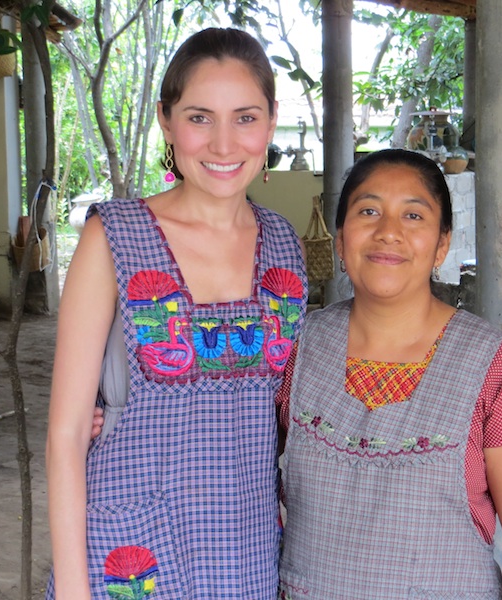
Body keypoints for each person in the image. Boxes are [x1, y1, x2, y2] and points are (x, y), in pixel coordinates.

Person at [46, 28, 307, 600]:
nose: (222, 144)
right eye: (199, 117)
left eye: (244, 117)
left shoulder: (284, 245)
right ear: (166, 120)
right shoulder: (112, 235)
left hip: (249, 545)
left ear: (269, 121)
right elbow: (66, 433)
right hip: (133, 543)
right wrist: (71, 588)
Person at [275, 149, 502, 599]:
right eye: (368, 211)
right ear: (340, 239)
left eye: (413, 215)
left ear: (442, 244)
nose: (388, 232)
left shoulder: (493, 364)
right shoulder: (295, 348)